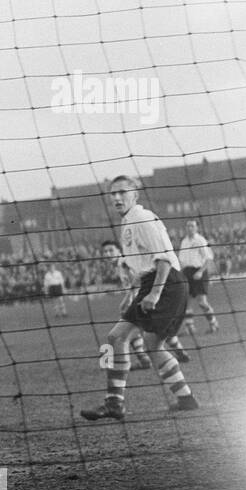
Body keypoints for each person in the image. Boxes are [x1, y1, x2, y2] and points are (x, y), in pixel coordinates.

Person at [81, 177, 198, 421]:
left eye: (122, 192)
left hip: (166, 283)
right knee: (136, 341)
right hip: (153, 283)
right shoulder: (128, 223)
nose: (116, 198)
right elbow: (142, 266)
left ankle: (115, 402)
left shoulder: (143, 219)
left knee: (127, 339)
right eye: (113, 194)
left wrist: (155, 293)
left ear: (135, 195)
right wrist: (131, 294)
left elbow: (163, 259)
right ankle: (185, 399)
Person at [101, 240, 190, 366]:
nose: (108, 254)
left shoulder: (125, 262)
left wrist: (131, 298)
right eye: (105, 251)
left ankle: (144, 359)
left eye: (111, 250)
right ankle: (179, 352)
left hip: (144, 297)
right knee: (156, 329)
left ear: (119, 251)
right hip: (142, 296)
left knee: (127, 332)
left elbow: (138, 279)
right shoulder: (121, 265)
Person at [177, 218, 219, 335]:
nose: (189, 228)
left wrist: (200, 272)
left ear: (196, 228)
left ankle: (214, 323)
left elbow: (209, 258)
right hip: (188, 272)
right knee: (187, 301)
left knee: (202, 302)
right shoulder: (184, 241)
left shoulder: (200, 240)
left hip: (199, 272)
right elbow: (182, 260)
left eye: (192, 226)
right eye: (188, 226)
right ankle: (189, 327)